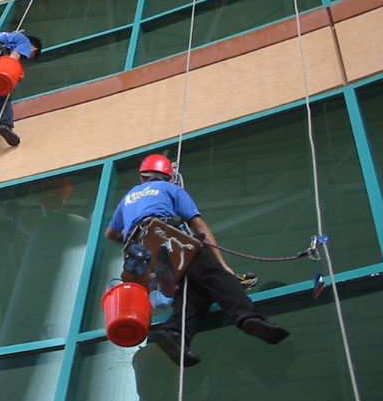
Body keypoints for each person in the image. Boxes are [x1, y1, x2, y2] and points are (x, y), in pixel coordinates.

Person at [104, 154, 289, 367]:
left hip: (139, 256)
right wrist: (222, 265)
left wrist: (134, 238)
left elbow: (110, 234)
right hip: (165, 237)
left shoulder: (128, 197)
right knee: (213, 273)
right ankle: (248, 317)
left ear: (142, 177)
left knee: (195, 293)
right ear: (169, 176)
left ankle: (174, 332)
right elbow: (198, 225)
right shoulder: (171, 189)